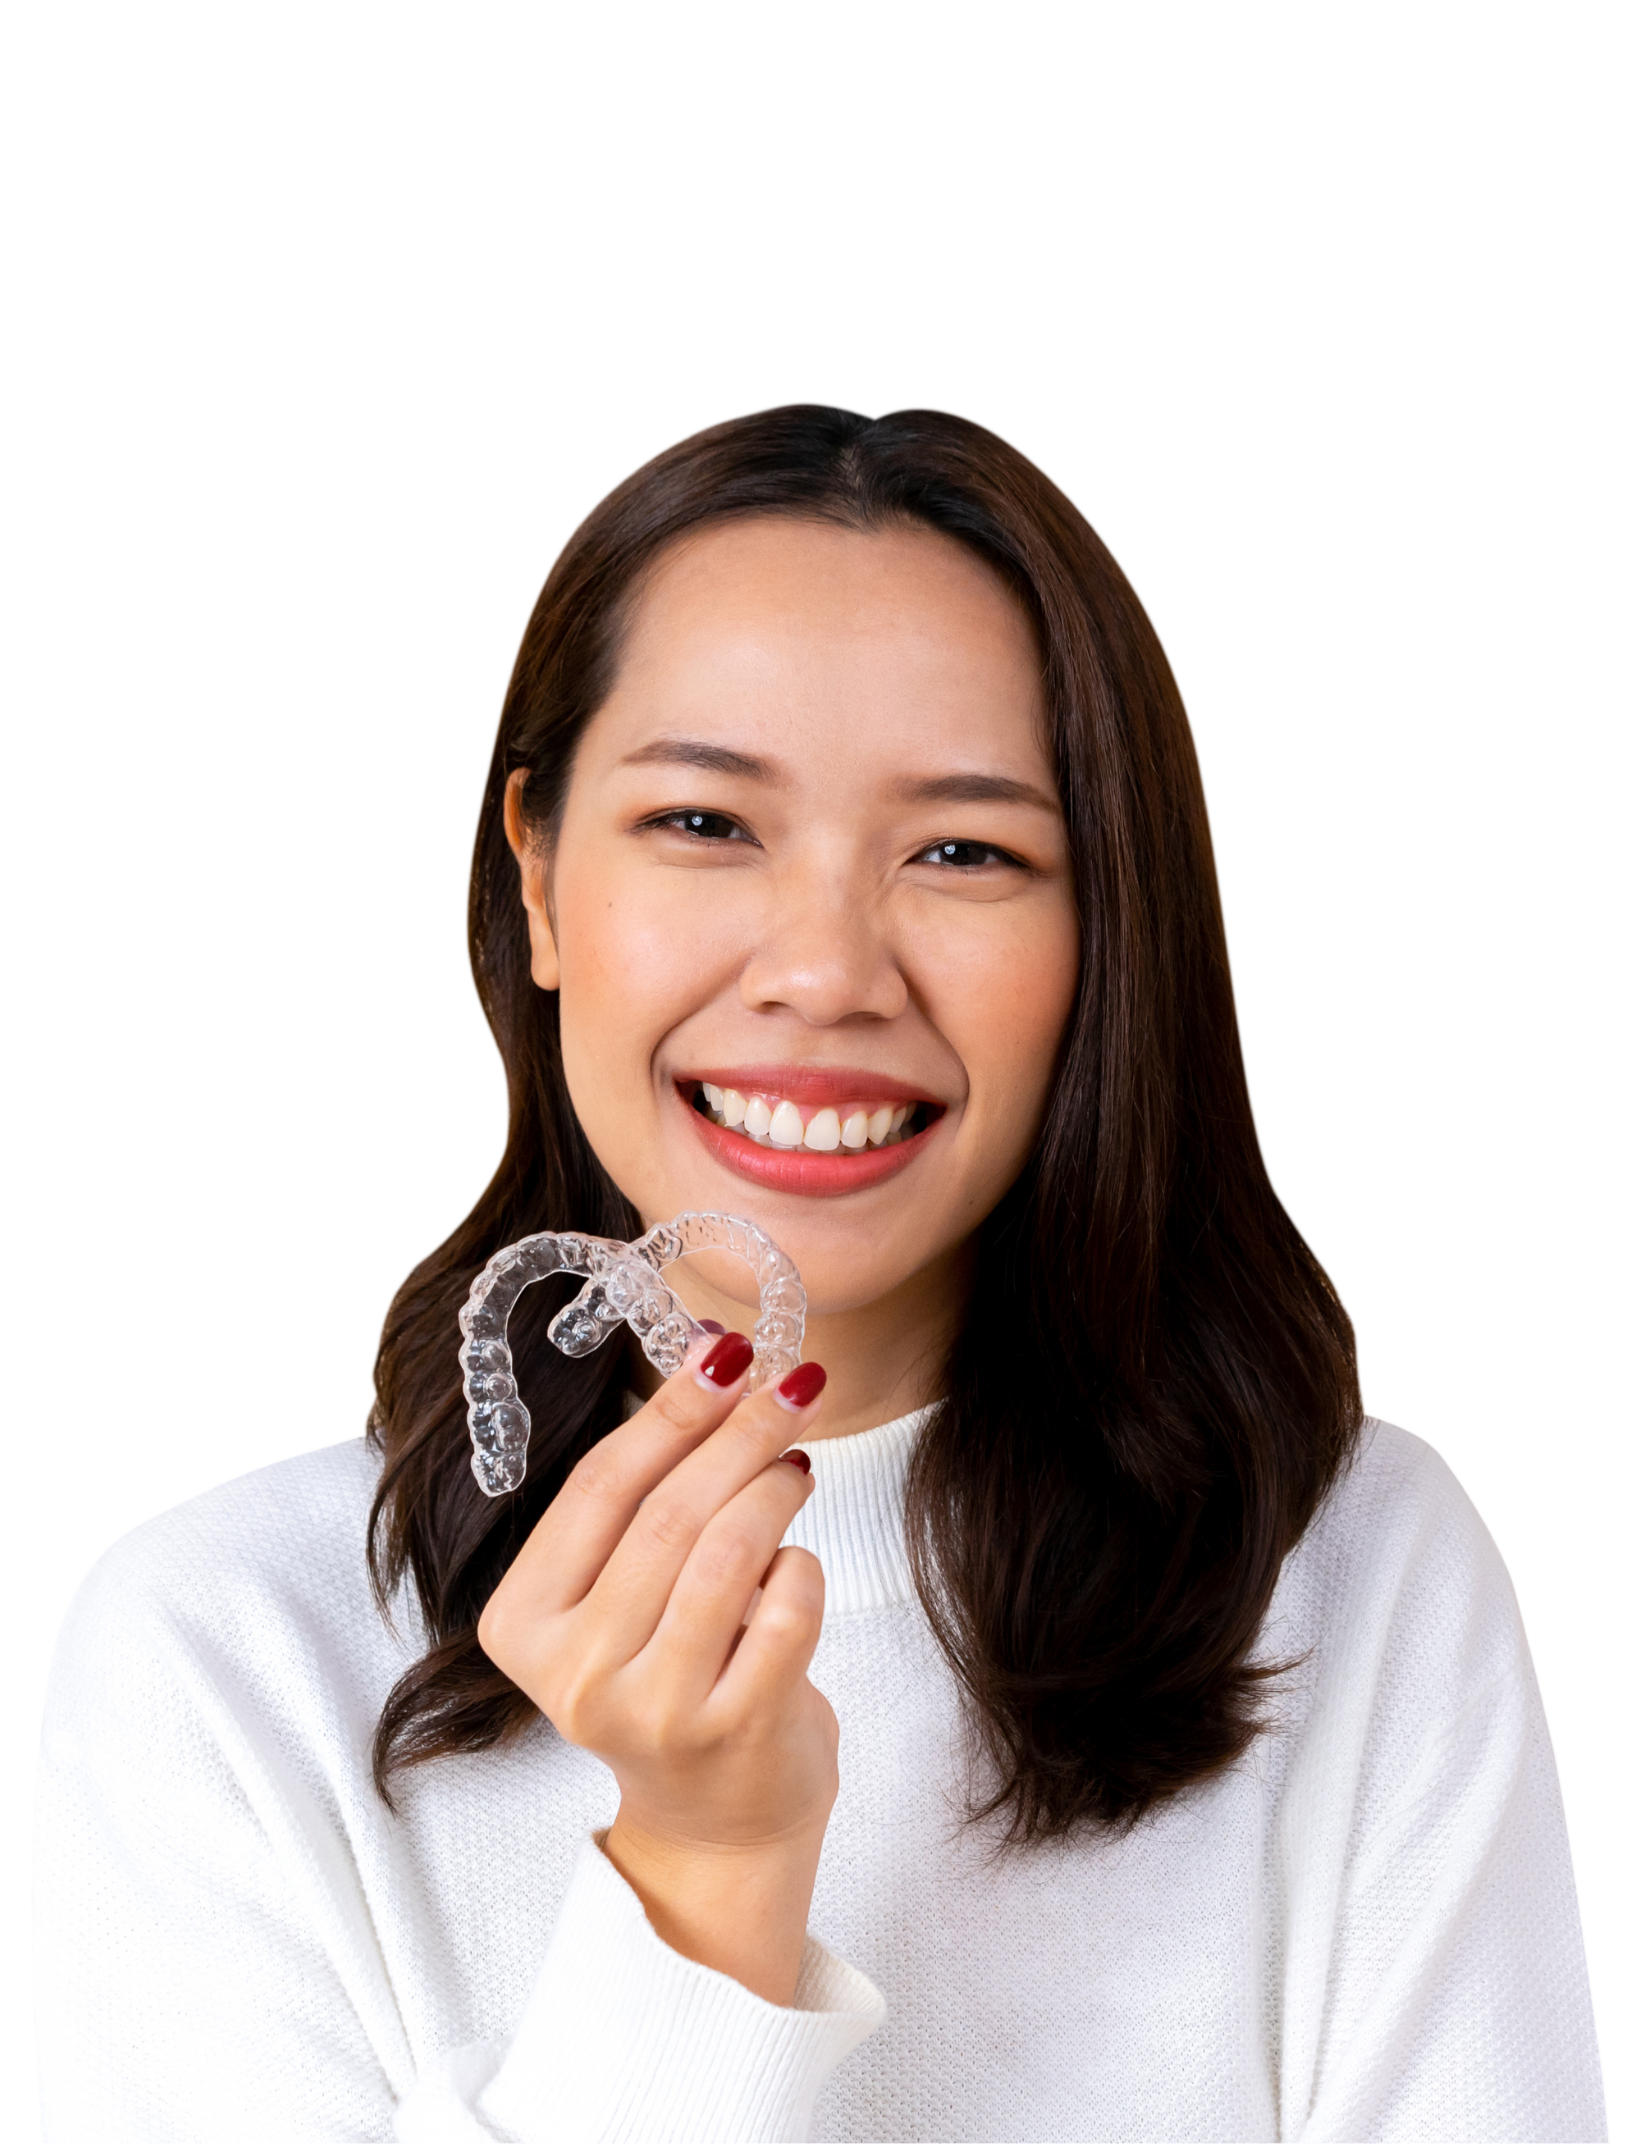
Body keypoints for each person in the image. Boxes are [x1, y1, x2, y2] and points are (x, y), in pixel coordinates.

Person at [32, 405, 1607, 2141]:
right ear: (537, 875)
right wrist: (703, 1876)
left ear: (1105, 932)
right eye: (705, 822)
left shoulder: (1358, 1573)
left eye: (964, 851)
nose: (826, 971)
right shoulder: (218, 1649)